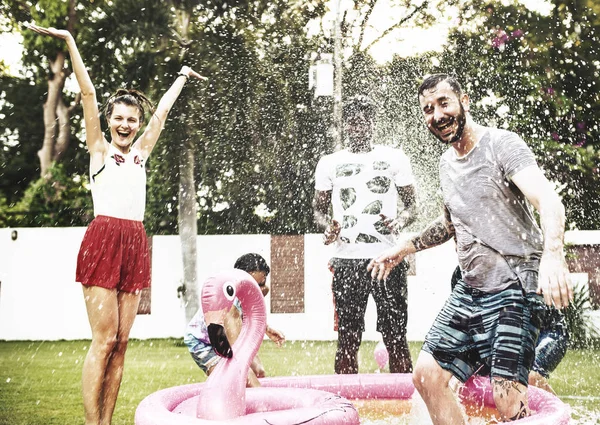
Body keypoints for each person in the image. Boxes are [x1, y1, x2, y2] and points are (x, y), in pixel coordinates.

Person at [26, 23, 205, 425]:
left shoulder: (141, 153)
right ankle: (94, 424)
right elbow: (88, 93)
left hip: (134, 241)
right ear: (109, 120)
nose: (126, 124)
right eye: (119, 118)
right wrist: (70, 41)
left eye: (132, 119)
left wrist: (180, 77)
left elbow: (162, 112)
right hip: (104, 238)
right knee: (104, 340)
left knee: (122, 343)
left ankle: (107, 421)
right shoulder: (99, 149)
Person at [368, 74, 572, 424]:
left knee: (507, 398)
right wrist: (406, 247)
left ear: (464, 99)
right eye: (428, 110)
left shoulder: (501, 144)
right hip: (471, 289)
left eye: (444, 103)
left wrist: (553, 254)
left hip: (514, 289)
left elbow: (547, 199)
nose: (437, 115)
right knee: (426, 376)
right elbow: (450, 225)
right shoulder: (447, 165)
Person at [313, 95, 418, 374]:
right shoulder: (329, 163)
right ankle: (345, 405)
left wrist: (398, 222)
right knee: (347, 337)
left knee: (395, 336)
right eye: (353, 121)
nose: (358, 127)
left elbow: (412, 207)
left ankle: (405, 408)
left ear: (373, 123)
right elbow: (318, 211)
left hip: (387, 259)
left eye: (364, 121)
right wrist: (328, 227)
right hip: (346, 261)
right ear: (345, 125)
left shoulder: (394, 158)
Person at [451, 266, 569, 394]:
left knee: (530, 377)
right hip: (504, 329)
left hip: (548, 330)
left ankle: (558, 412)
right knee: (461, 377)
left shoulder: (514, 263)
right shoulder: (461, 274)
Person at [184, 253, 285, 387]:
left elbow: (249, 315)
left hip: (227, 333)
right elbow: (239, 357)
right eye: (254, 284)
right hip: (203, 343)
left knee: (259, 372)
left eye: (262, 284)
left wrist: (266, 329)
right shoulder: (230, 307)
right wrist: (263, 399)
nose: (259, 290)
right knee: (238, 378)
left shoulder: (252, 293)